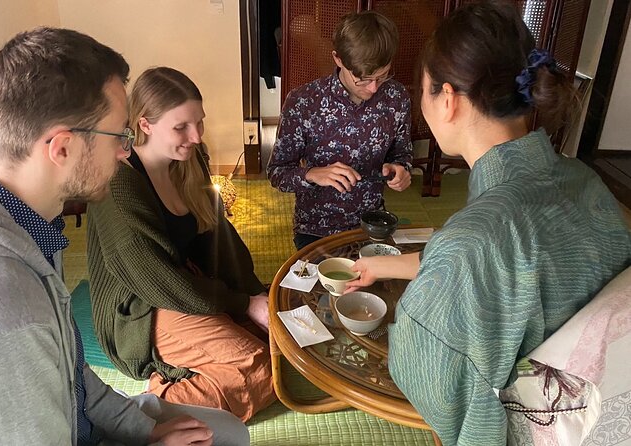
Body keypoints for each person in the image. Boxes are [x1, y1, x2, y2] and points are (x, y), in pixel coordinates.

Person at [346, 2, 631, 445]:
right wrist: (386, 266)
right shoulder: (586, 181)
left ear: (448, 99)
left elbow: (430, 380)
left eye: (422, 89)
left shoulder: (474, 242)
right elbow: (493, 265)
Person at [0, 28, 249, 446]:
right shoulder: (6, 314)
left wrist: (143, 430)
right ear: (62, 148)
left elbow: (73, 372)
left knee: (226, 432)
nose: (125, 150)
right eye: (119, 135)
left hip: (87, 422)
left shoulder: (25, 222)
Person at [86, 67, 275, 423]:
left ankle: (184, 371)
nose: (196, 135)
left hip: (186, 283)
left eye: (199, 123)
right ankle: (149, 411)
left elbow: (218, 237)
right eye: (181, 127)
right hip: (140, 309)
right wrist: (241, 303)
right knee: (259, 367)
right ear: (144, 125)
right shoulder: (119, 184)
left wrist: (254, 296)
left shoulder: (188, 161)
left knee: (277, 342)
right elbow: (157, 282)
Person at [267, 10, 413, 250]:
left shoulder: (396, 97)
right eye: (363, 79)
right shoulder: (304, 102)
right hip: (316, 227)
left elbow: (403, 154)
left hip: (372, 223)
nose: (375, 88)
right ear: (339, 59)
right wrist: (313, 174)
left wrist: (401, 170)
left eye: (383, 76)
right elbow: (276, 173)